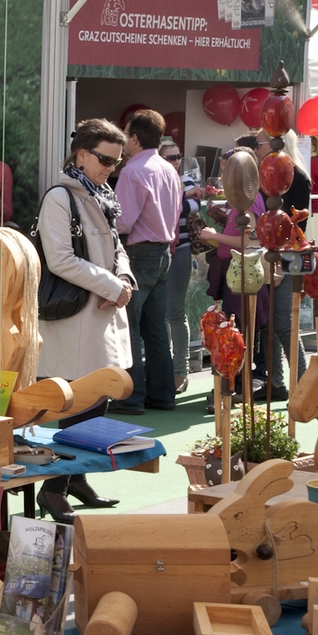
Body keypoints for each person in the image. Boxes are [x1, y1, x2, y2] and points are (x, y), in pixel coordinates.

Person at [34, 119, 135, 524]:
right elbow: (59, 258)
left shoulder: (101, 192)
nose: (111, 167)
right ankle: (54, 488)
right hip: (76, 314)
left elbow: (116, 245)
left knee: (100, 398)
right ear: (81, 154)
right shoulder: (60, 197)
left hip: (100, 311)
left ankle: (74, 479)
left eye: (116, 161)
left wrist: (124, 278)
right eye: (105, 159)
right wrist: (114, 285)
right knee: (78, 404)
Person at [112, 109, 181, 414]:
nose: (125, 140)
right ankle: (163, 394)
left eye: (126, 134)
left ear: (135, 138)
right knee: (156, 328)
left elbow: (123, 222)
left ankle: (131, 396)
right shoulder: (168, 169)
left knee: (130, 328)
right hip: (163, 251)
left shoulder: (132, 170)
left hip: (139, 253)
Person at [198, 140, 267, 411]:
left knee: (236, 335)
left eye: (228, 172)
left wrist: (213, 236)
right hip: (235, 273)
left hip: (242, 275)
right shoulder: (240, 199)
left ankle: (235, 389)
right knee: (234, 332)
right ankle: (233, 387)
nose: (224, 177)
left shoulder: (249, 200)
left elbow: (246, 241)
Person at [254, 131, 309, 401]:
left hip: (287, 255)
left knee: (283, 322)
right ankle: (276, 383)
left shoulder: (295, 177)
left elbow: (295, 224)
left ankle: (303, 383)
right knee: (269, 322)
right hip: (273, 254)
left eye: (259, 143)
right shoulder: (273, 176)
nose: (255, 149)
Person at [161, 138, 201, 394]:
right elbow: (161, 208)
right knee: (156, 316)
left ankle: (180, 371)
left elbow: (194, 207)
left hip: (180, 252)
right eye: (170, 158)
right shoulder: (157, 179)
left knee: (175, 312)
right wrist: (183, 198)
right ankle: (162, 370)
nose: (175, 162)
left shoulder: (184, 180)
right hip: (156, 251)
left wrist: (181, 198)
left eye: (178, 157)